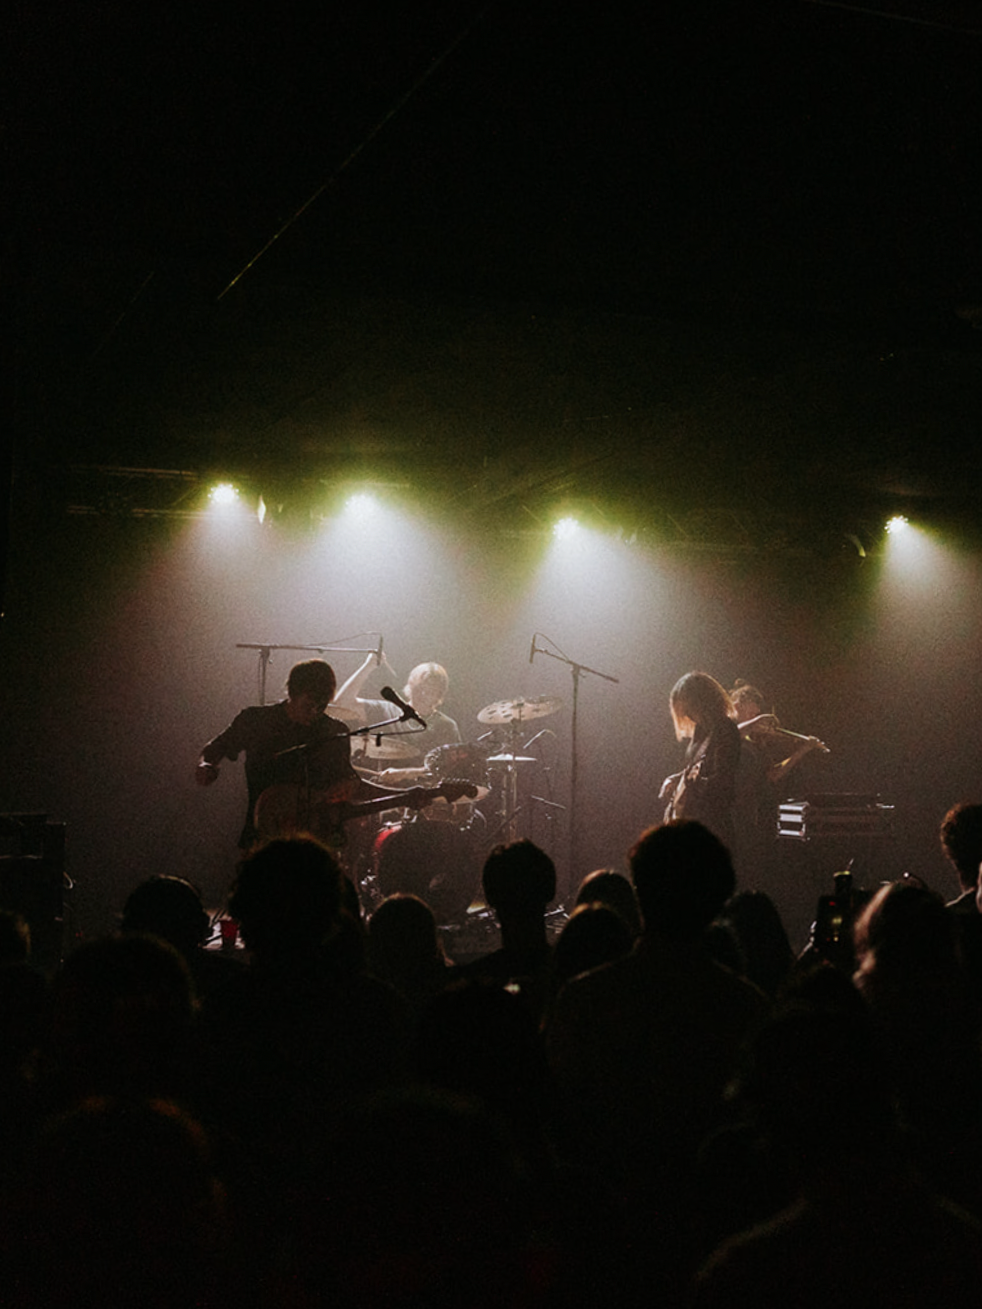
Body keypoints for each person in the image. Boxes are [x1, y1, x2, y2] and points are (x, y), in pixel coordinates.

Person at [196, 658, 424, 853]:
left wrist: (405, 795)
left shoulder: (334, 730)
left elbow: (352, 784)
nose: (315, 712)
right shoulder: (256, 721)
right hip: (263, 834)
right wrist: (206, 764)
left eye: (322, 706)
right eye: (309, 704)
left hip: (317, 842)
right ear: (292, 694)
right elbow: (216, 748)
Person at [660, 672, 741, 849]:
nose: (687, 715)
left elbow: (723, 783)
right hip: (692, 825)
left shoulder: (725, 730)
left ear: (701, 702)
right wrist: (677, 778)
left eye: (688, 709)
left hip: (711, 829)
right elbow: (696, 766)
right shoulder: (701, 731)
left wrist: (691, 784)